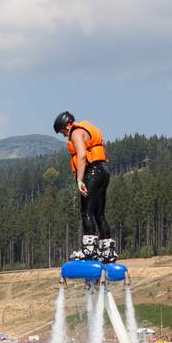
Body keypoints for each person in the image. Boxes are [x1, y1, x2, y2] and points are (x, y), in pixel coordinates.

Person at [53, 111, 117, 263]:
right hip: (103, 171)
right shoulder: (85, 129)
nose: (63, 135)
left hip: (92, 173)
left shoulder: (76, 132)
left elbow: (81, 155)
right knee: (99, 214)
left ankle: (88, 250)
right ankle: (107, 251)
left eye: (63, 131)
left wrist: (80, 180)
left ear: (68, 125)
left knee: (86, 212)